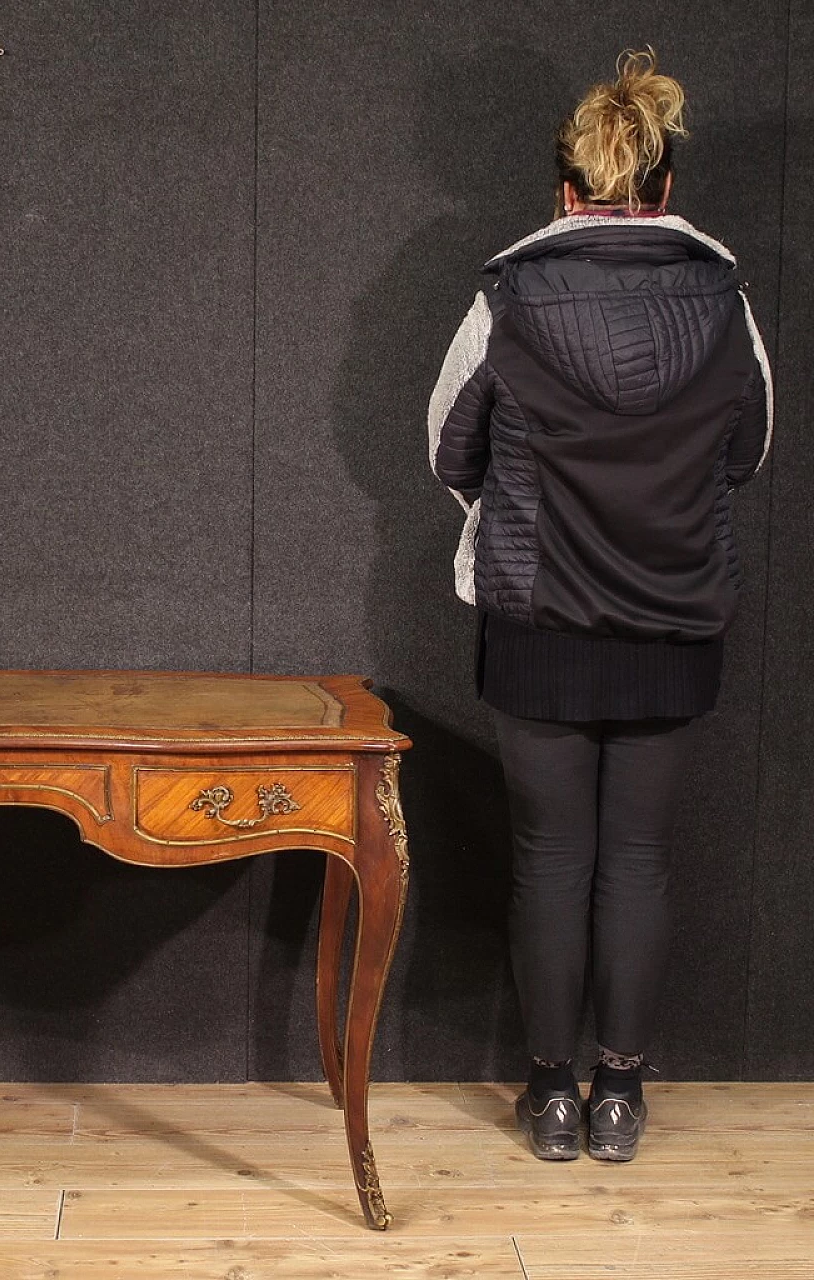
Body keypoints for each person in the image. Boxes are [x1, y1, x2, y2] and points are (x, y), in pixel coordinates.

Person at [427, 49, 772, 1162]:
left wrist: (533, 510)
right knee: (636, 857)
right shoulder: (725, 306)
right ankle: (619, 1090)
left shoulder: (505, 302)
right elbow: (747, 451)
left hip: (538, 627)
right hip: (671, 625)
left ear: (565, 193)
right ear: (663, 189)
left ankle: (549, 1095)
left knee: (547, 855)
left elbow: (449, 451)